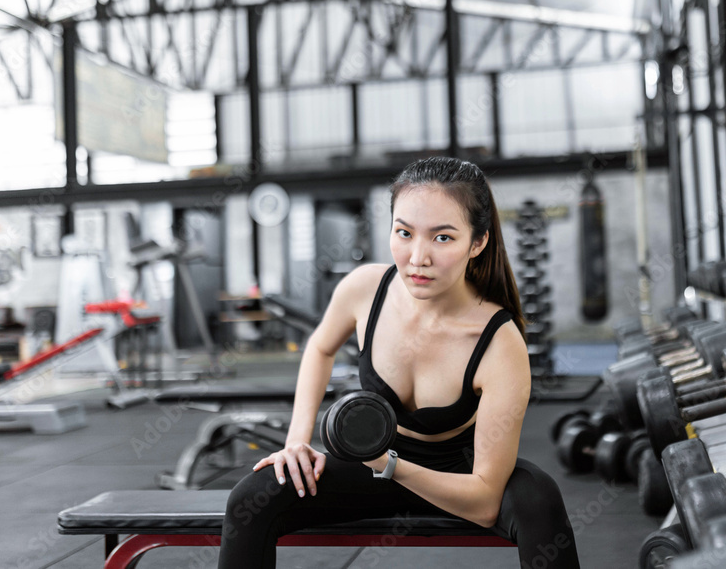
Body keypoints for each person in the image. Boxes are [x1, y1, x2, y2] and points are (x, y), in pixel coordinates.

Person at [219, 157, 580, 568]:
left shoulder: (498, 341)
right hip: (373, 464)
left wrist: (388, 465)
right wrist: (296, 442)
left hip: (460, 475)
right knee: (254, 495)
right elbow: (320, 348)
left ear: (477, 243)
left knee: (538, 499)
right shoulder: (364, 289)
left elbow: (483, 502)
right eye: (404, 233)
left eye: (442, 238)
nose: (417, 257)